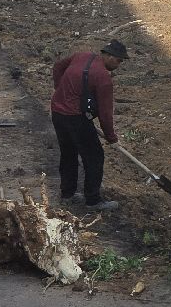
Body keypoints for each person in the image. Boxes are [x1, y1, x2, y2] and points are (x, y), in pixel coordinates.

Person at [50, 39, 127, 211]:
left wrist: (60, 90)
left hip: (57, 112)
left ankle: (67, 194)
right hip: (76, 118)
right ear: (108, 55)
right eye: (118, 60)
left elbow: (57, 67)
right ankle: (93, 200)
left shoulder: (81, 56)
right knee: (94, 157)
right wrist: (111, 137)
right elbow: (105, 113)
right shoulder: (103, 79)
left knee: (68, 153)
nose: (119, 64)